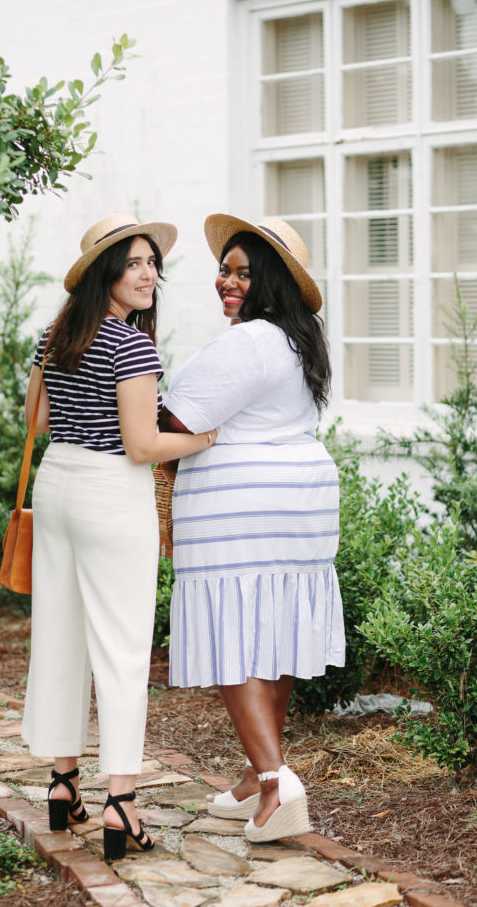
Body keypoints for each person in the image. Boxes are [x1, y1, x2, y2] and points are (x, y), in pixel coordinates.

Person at [21, 212, 216, 861]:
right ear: (106, 271)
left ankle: (62, 783)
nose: (148, 274)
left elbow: (39, 420)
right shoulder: (130, 345)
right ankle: (122, 804)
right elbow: (141, 445)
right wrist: (202, 438)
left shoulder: (55, 335)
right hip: (110, 493)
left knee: (62, 636)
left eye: (152, 262)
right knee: (123, 649)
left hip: (57, 486)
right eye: (133, 262)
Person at [160, 214, 345, 843]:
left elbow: (174, 416)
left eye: (243, 273)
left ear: (270, 283)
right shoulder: (299, 342)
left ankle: (276, 781)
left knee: (232, 636)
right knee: (272, 630)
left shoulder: (247, 343)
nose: (226, 281)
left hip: (241, 505)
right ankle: (254, 774)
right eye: (224, 269)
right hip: (300, 504)